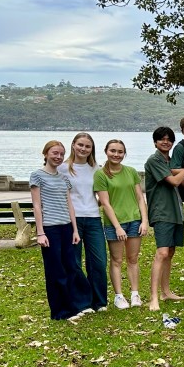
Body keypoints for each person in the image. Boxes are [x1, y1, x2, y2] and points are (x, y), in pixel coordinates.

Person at [29, 140, 93, 321]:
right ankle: (59, 311)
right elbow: (36, 205)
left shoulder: (64, 178)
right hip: (50, 229)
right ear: (46, 154)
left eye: (61, 154)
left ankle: (73, 306)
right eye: (54, 153)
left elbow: (69, 204)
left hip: (66, 227)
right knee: (55, 270)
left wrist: (75, 230)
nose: (58, 157)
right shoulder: (37, 176)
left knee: (71, 267)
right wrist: (40, 232)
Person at [144, 126, 184, 311]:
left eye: (169, 139)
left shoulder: (168, 161)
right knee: (162, 253)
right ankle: (153, 297)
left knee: (170, 252)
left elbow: (181, 176)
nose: (166, 142)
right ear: (155, 142)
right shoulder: (154, 160)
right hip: (162, 211)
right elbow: (175, 181)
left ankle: (166, 292)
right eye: (161, 139)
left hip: (175, 211)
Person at [94, 139, 150, 309]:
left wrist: (144, 220)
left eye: (120, 152)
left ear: (124, 154)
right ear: (106, 151)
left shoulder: (131, 172)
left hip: (134, 220)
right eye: (113, 151)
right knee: (116, 259)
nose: (116, 154)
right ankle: (119, 296)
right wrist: (117, 226)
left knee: (133, 258)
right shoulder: (100, 174)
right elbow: (105, 203)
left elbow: (140, 197)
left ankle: (135, 293)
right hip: (114, 223)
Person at [64, 132, 108, 312]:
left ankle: (99, 301)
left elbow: (102, 194)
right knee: (74, 262)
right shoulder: (62, 168)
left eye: (87, 146)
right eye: (80, 145)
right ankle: (81, 302)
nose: (83, 149)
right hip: (71, 220)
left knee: (98, 261)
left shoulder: (97, 169)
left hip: (93, 219)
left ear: (92, 149)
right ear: (73, 145)